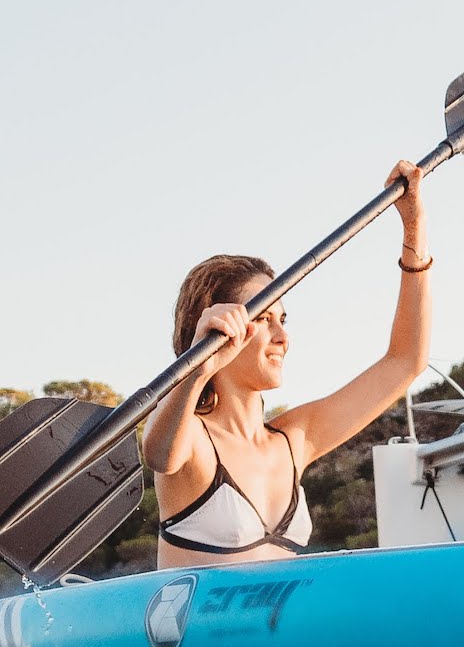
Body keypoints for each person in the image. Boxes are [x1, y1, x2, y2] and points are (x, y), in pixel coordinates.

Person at [147, 160, 431, 569]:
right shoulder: (191, 437)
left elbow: (406, 361)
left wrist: (414, 230)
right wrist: (199, 365)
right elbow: (159, 454)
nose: (282, 337)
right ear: (214, 327)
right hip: (196, 635)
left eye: (283, 319)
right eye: (263, 319)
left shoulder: (294, 439)